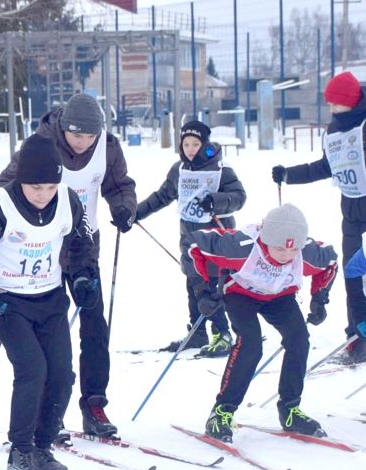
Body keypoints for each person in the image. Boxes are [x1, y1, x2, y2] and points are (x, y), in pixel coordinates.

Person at [0, 135, 98, 470]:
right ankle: (20, 451)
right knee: (33, 369)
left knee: (61, 374)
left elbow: (81, 245)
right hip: (7, 302)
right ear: (20, 181)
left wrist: (83, 279)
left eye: (49, 187)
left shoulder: (68, 202)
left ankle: (43, 448)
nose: (43, 195)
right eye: (34, 187)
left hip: (50, 299)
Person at [0, 93, 137, 437]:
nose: (84, 143)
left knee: (95, 327)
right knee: (48, 333)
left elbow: (120, 186)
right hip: (41, 252)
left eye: (90, 137)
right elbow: (4, 187)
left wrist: (124, 207)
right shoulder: (41, 145)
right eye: (77, 136)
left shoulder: (108, 146)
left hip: (84, 250)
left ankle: (94, 404)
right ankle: (49, 413)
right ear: (63, 128)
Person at [183, 204, 338, 442]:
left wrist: (319, 298)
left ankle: (290, 410)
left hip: (280, 296)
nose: (286, 256)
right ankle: (222, 412)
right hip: (240, 293)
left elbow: (331, 263)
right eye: (279, 249)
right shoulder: (240, 247)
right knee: (251, 344)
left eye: (292, 250)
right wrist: (201, 291)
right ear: (266, 240)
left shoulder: (306, 254)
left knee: (299, 339)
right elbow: (193, 244)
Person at [272, 71, 366, 363]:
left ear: (351, 101)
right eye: (329, 103)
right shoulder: (334, 131)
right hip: (351, 214)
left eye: (336, 103)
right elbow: (325, 167)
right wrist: (289, 175)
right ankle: (359, 339)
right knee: (354, 277)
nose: (332, 108)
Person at [134, 120, 247, 356]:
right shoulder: (179, 170)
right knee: (193, 283)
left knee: (211, 286)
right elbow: (162, 196)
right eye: (186, 144)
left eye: (196, 143)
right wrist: (136, 213)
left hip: (217, 239)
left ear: (205, 144)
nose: (191, 149)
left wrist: (215, 201)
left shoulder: (221, 170)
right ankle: (197, 333)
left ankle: (222, 333)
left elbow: (239, 196)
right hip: (189, 238)